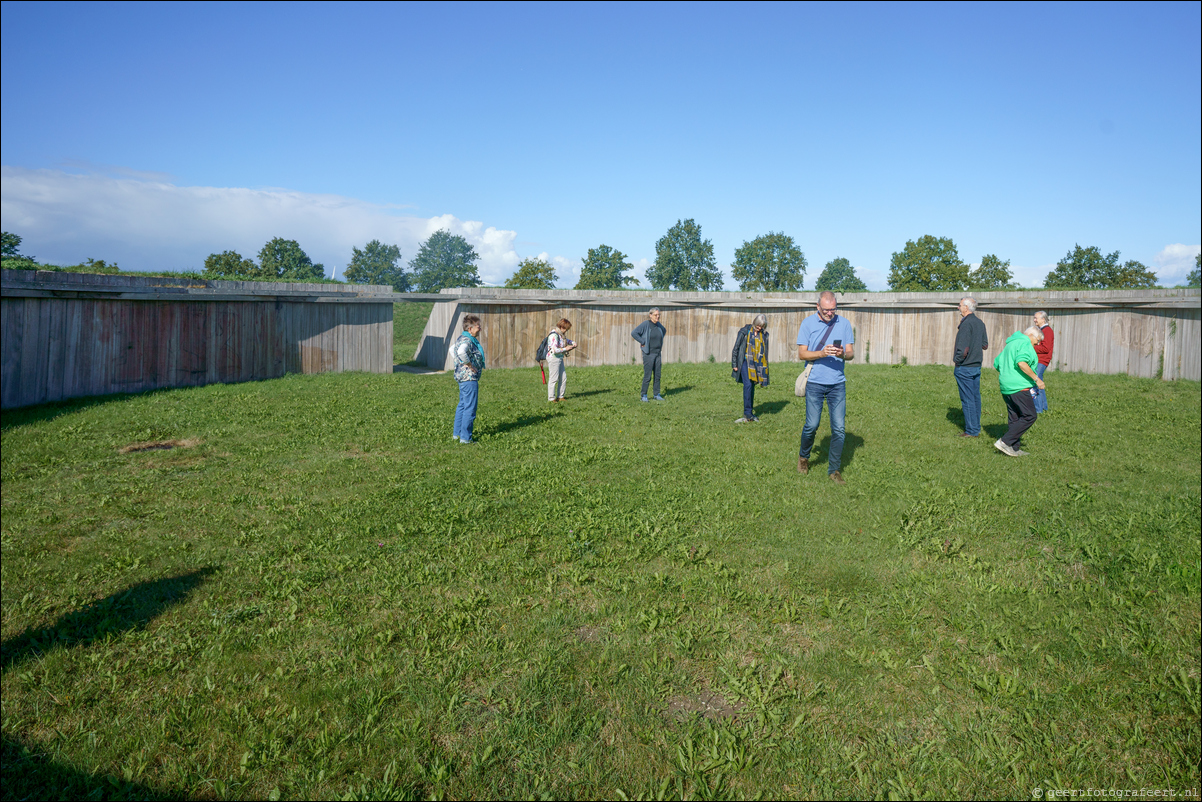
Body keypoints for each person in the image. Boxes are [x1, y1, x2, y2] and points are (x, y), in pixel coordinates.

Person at [796, 291, 855, 484]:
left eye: (833, 309)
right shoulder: (807, 324)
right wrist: (822, 353)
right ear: (818, 307)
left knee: (838, 429)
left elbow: (851, 354)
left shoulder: (844, 324)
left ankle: (834, 470)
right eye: (826, 310)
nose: (830, 313)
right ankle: (804, 457)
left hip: (837, 383)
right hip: (814, 382)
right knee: (812, 425)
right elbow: (802, 354)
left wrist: (841, 354)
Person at [992, 325, 1046, 457]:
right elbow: (1021, 362)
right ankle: (1004, 442)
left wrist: (1008, 374)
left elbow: (997, 363)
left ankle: (1013, 448)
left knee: (1014, 417)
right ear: (1032, 335)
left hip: (1006, 386)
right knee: (1030, 416)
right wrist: (1037, 379)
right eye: (1038, 340)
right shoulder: (1025, 343)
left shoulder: (1011, 344)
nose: (1038, 344)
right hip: (1019, 387)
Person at [952, 296, 989, 437]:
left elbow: (963, 349)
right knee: (975, 397)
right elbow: (984, 344)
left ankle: (972, 431)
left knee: (967, 399)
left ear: (966, 307)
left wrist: (957, 360)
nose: (958, 308)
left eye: (960, 305)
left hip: (965, 367)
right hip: (976, 365)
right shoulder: (980, 323)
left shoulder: (966, 324)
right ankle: (975, 427)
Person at [451, 314, 485, 444]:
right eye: (477, 326)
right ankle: (465, 438)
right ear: (470, 328)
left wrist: (459, 364)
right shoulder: (467, 340)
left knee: (463, 405)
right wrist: (469, 365)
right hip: (469, 378)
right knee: (470, 407)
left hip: (462, 377)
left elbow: (452, 350)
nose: (480, 328)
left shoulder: (462, 338)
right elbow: (460, 352)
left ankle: (457, 434)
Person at [731, 314, 769, 422]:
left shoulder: (763, 335)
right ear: (754, 323)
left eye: (762, 326)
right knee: (747, 385)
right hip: (743, 361)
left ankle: (750, 411)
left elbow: (764, 352)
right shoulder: (744, 332)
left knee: (751, 386)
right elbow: (736, 348)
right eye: (758, 326)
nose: (760, 328)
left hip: (756, 364)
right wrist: (734, 364)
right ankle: (747, 413)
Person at [631, 308, 666, 401]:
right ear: (650, 315)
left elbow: (664, 331)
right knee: (648, 375)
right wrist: (642, 341)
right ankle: (644, 395)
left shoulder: (659, 325)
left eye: (658, 315)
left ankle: (657, 394)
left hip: (658, 353)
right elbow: (634, 333)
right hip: (648, 354)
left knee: (657, 375)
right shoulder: (646, 324)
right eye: (655, 315)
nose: (657, 317)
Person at [545, 318, 577, 403]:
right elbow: (554, 350)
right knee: (553, 379)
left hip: (559, 358)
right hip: (554, 358)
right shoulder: (554, 335)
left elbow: (566, 340)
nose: (566, 331)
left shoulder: (560, 335)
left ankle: (560, 396)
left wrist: (573, 342)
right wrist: (565, 349)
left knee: (563, 378)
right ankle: (551, 398)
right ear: (561, 327)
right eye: (566, 328)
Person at [1032, 311, 1054, 413]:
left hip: (1042, 360)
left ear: (1043, 319)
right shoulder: (1042, 330)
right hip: (1040, 360)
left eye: (1036, 318)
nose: (1034, 320)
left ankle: (1038, 409)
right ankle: (1044, 408)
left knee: (1036, 383)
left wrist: (1032, 346)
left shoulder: (1047, 331)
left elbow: (1046, 348)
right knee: (1039, 382)